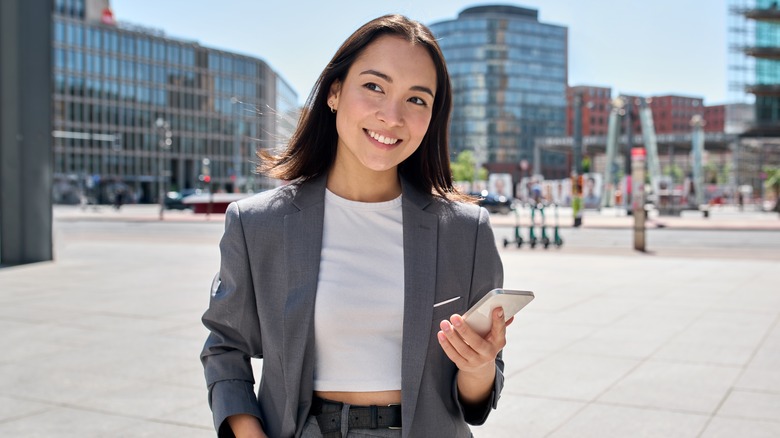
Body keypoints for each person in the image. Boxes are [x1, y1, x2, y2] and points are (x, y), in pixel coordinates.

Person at [201, 14, 508, 438]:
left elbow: (474, 403)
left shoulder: (465, 230)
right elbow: (225, 347)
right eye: (375, 86)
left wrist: (479, 366)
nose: (392, 115)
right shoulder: (258, 223)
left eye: (416, 99)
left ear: (433, 116)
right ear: (334, 92)